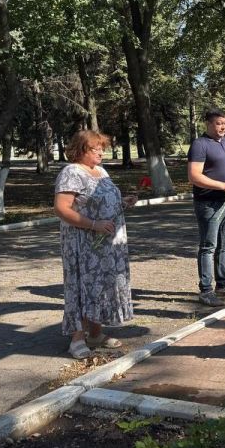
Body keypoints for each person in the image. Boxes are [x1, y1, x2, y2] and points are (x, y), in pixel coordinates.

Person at [53, 130, 138, 359]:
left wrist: (122, 202)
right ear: (81, 150)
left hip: (106, 244)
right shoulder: (71, 172)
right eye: (95, 148)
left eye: (102, 147)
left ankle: (96, 334)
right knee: (82, 286)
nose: (101, 152)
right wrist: (93, 224)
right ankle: (77, 338)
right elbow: (62, 209)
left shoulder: (100, 171)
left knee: (101, 286)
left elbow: (101, 200)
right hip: (83, 243)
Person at [188, 108, 225, 306]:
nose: (222, 127)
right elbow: (194, 176)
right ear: (208, 124)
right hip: (209, 204)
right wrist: (223, 185)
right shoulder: (200, 145)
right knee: (208, 246)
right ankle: (206, 290)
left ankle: (223, 284)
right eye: (218, 123)